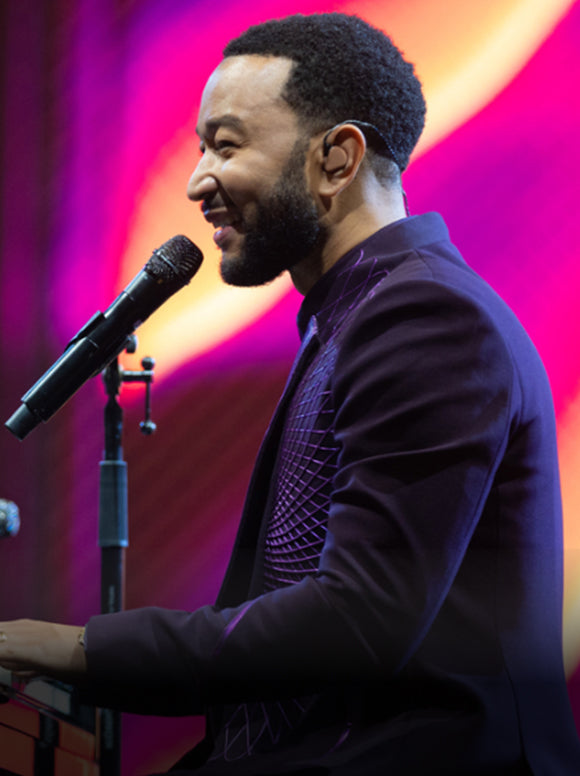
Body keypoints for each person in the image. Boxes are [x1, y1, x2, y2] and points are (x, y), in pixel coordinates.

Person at [1, 12, 579, 775]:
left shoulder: (426, 318)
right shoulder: (355, 317)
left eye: (226, 144)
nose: (196, 179)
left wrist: (72, 648)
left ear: (337, 159)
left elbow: (358, 618)